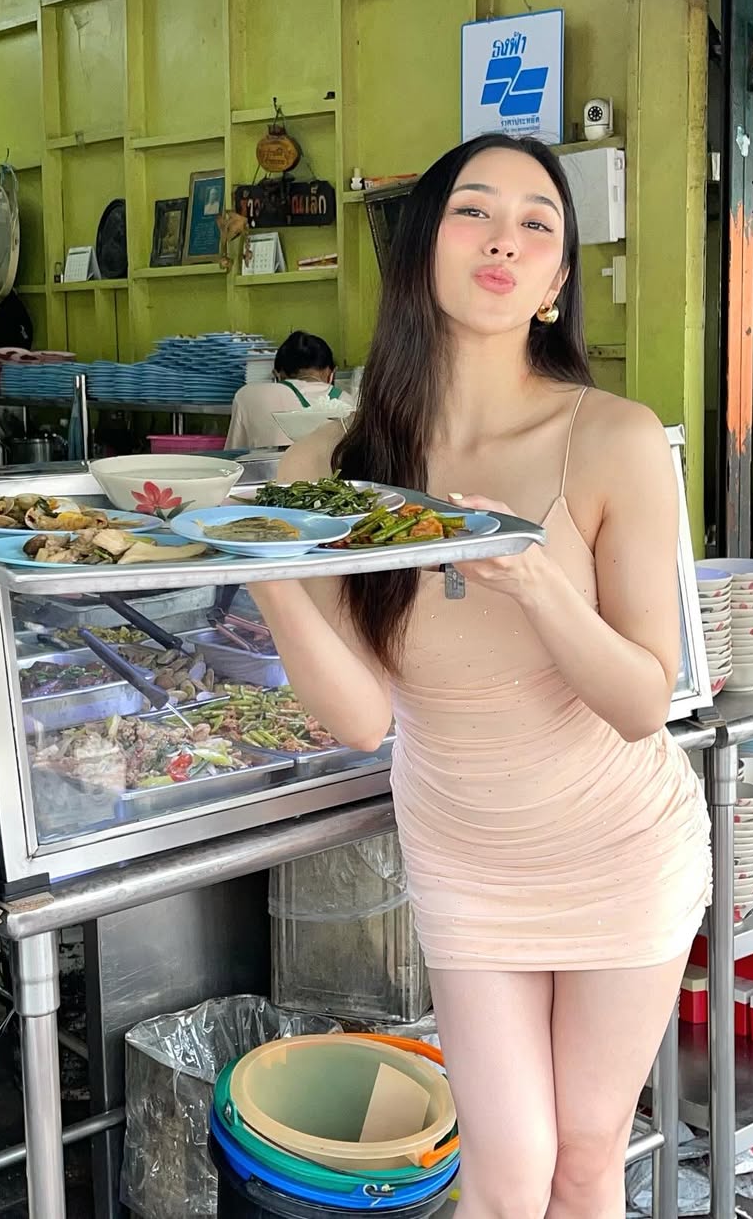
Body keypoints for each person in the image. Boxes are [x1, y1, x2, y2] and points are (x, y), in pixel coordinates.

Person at [249, 133, 711, 1219]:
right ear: (422, 249)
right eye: (474, 211)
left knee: (584, 1161)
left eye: (536, 224)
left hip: (618, 849)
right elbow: (362, 717)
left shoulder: (612, 438)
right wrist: (260, 565)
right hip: (466, 860)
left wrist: (537, 579)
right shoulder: (330, 466)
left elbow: (643, 701)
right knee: (505, 1176)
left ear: (556, 284)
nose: (504, 238)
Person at [224, 330, 353, 450]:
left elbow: (233, 455)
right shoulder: (348, 402)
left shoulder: (248, 395)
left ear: (277, 375)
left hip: (270, 467)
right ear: (331, 374)